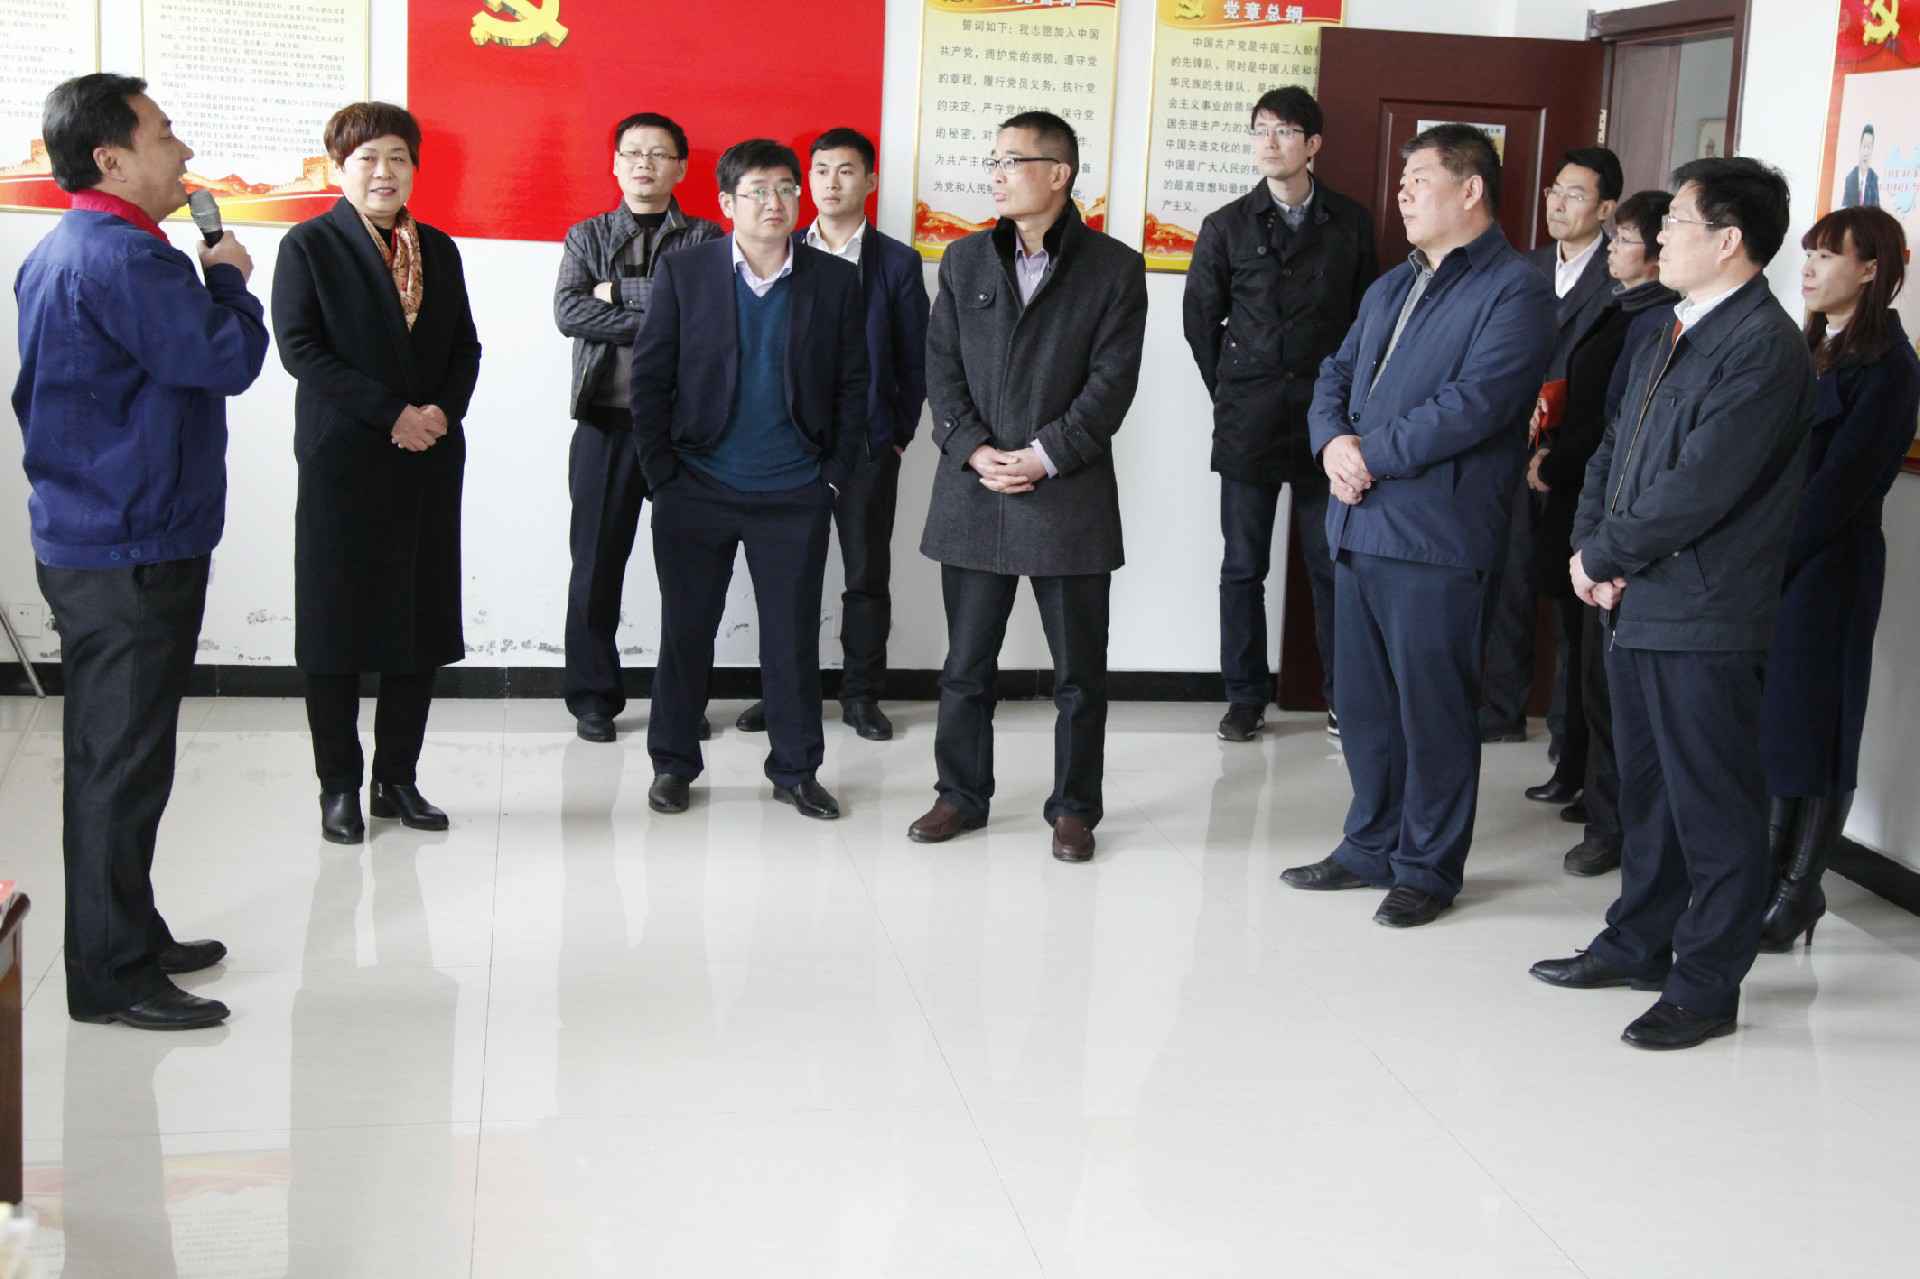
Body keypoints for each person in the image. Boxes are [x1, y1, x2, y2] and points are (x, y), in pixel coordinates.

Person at [1532, 157, 1816, 1051]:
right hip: (1637, 599)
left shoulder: (1764, 347)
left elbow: (1702, 484)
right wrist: (1589, 548)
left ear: (1729, 240)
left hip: (1705, 612)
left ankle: (1705, 984)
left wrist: (1606, 554)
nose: (1660, 236)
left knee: (1714, 805)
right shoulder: (1667, 327)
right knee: (1647, 792)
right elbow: (1613, 449)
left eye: (1678, 222)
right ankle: (1638, 941)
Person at [13, 74, 268, 1029]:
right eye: (165, 134)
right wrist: (230, 278)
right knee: (119, 766)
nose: (184, 151)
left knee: (125, 757)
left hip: (101, 531)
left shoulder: (67, 248)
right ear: (110, 158)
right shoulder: (126, 260)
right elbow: (227, 360)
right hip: (128, 545)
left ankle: (131, 929)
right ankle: (111, 974)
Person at [1279, 123, 1553, 927]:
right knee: (1364, 707)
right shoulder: (1393, 284)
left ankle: (1429, 866)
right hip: (1358, 521)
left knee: (1432, 710)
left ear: (1471, 190)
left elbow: (1476, 403)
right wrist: (1331, 442)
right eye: (1401, 181)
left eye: (1419, 180)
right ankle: (1370, 842)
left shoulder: (1515, 288)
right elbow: (1334, 373)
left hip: (1436, 533)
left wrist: (1368, 454)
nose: (1401, 194)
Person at [908, 110, 1147, 863]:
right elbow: (941, 367)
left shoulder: (1114, 268)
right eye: (994, 161)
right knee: (965, 666)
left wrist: (1046, 455)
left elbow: (1111, 384)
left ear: (1059, 173)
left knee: (1078, 675)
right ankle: (960, 794)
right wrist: (974, 449)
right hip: (975, 491)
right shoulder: (965, 259)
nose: (997, 175)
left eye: (1012, 161)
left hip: (1067, 497)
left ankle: (1074, 808)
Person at [630, 138, 869, 820]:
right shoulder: (687, 272)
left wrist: (831, 478)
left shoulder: (833, 280)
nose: (775, 203)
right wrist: (663, 476)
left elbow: (854, 385)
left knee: (791, 639)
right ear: (726, 203)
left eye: (786, 189)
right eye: (758, 191)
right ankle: (673, 764)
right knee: (686, 632)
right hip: (696, 486)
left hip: (794, 492)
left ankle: (796, 770)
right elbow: (650, 379)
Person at [272, 102, 483, 846]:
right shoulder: (309, 245)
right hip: (345, 460)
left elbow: (465, 348)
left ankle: (397, 780)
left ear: (414, 168)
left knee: (416, 624)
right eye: (367, 158)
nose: (384, 172)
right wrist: (391, 413)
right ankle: (338, 786)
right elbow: (300, 348)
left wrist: (439, 414)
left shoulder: (440, 249)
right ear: (339, 167)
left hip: (428, 460)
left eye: (397, 157)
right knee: (334, 628)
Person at [1182, 86, 1376, 743]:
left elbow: (1368, 324)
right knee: (1243, 566)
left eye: (1285, 130)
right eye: (1260, 129)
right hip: (1250, 417)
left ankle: (1342, 697)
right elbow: (1200, 322)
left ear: (1312, 144)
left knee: (1332, 564)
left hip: (1329, 420)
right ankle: (1244, 698)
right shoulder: (1226, 225)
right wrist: (1233, 388)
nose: (1270, 142)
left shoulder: (1350, 222)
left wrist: (1350, 405)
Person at [1757, 207, 1919, 950]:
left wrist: (1768, 557)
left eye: (1828, 255)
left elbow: (1838, 490)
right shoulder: (1810, 348)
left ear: (1871, 269)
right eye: (1810, 253)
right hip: (1781, 562)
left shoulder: (1889, 367)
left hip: (1831, 567)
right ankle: (1767, 874)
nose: (1811, 268)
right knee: (1780, 723)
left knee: (1821, 726)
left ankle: (1799, 889)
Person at [735, 127, 930, 743]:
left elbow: (915, 359)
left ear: (870, 181)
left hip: (869, 445)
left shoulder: (897, 262)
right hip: (793, 446)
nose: (830, 182)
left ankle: (862, 694)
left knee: (865, 575)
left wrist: (897, 434)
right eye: (819, 170)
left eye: (846, 170)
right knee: (787, 576)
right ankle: (784, 693)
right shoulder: (780, 246)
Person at [555, 112, 723, 744]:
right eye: (632, 153)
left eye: (658, 154)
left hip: (686, 432)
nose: (644, 164)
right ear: (615, 164)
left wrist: (615, 295)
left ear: (681, 166)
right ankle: (593, 698)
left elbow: (708, 320)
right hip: (604, 425)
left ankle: (682, 702)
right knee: (595, 568)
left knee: (690, 575)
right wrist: (660, 311)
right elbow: (569, 312)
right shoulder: (587, 234)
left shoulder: (707, 237)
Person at [1530, 189, 1678, 878]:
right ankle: (1593, 797)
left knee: (1613, 690)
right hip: (1594, 517)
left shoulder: (1660, 323)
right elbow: (1609, 430)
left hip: (1625, 536)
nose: (1613, 249)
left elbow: (1629, 440)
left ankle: (1613, 824)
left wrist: (1603, 538)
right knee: (1589, 672)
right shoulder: (1625, 310)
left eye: (1624, 239)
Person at [1504, 147, 1621, 793]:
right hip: (1512, 446)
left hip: (1573, 457)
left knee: (1571, 604)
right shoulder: (1524, 267)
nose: (1558, 202)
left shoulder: (1619, 275)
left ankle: (1566, 744)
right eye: (1554, 189)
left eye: (1575, 194)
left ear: (1606, 209)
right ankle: (1500, 708)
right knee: (1509, 580)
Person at [1841, 124, 1880, 209]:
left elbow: (1877, 210)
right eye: (1864, 146)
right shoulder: (1850, 179)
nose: (1866, 152)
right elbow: (1845, 209)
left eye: (1869, 147)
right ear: (1859, 147)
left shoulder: (1874, 179)